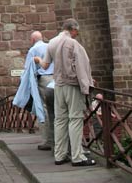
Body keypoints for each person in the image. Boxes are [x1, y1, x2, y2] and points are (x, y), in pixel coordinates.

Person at [35, 18, 96, 168]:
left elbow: (45, 65)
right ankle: (77, 156)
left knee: (60, 120)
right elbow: (81, 67)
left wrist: (38, 60)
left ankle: (60, 155)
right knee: (75, 119)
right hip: (71, 85)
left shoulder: (52, 42)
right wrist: (86, 86)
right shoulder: (73, 44)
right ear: (73, 29)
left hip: (58, 85)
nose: (77, 34)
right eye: (77, 32)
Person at [24, 31, 54, 151]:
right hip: (55, 79)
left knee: (44, 109)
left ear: (32, 40)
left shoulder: (33, 50)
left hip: (44, 80)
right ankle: (59, 141)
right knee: (58, 109)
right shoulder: (50, 46)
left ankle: (48, 141)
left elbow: (27, 69)